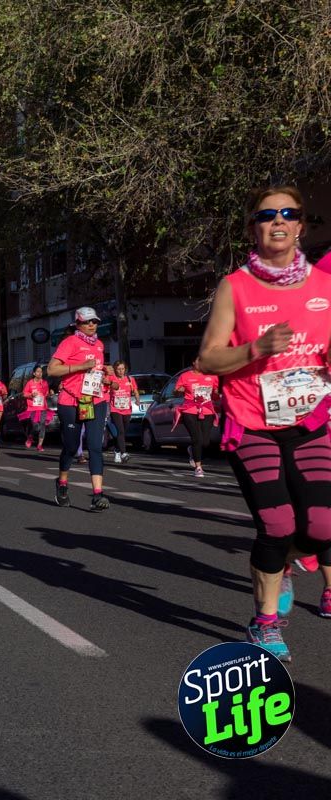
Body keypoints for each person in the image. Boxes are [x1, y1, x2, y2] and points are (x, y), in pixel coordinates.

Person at [196, 184, 331, 661]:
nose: (277, 221)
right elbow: (208, 359)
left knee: (321, 525)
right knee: (276, 523)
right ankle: (265, 622)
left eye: (287, 213)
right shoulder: (235, 287)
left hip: (311, 421)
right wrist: (255, 349)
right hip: (252, 422)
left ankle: (287, 563)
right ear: (253, 228)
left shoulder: (325, 287)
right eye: (266, 214)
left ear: (300, 226)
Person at [48, 308, 113, 511]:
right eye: (87, 322)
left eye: (94, 321)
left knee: (95, 446)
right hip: (71, 400)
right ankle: (62, 483)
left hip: (95, 399)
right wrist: (80, 367)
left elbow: (96, 371)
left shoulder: (100, 345)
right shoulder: (69, 343)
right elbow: (52, 369)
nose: (91, 325)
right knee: (71, 446)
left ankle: (97, 495)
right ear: (78, 324)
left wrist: (106, 374)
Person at [174, 359, 220, 478]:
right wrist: (179, 391)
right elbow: (176, 391)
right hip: (189, 409)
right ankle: (198, 467)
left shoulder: (212, 376)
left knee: (205, 442)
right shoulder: (185, 376)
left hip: (207, 409)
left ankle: (191, 450)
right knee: (197, 439)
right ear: (193, 363)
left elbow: (215, 395)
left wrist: (216, 392)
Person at [106, 361, 138, 464]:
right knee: (120, 431)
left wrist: (137, 399)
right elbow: (106, 388)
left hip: (127, 409)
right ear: (115, 369)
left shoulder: (130, 379)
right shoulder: (112, 379)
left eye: (122, 369)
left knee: (122, 432)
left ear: (125, 369)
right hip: (115, 409)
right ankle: (124, 453)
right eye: (119, 369)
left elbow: (135, 390)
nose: (121, 371)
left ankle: (117, 450)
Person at [20, 365, 51, 451]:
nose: (40, 373)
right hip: (33, 408)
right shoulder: (30, 383)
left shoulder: (44, 383)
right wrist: (31, 395)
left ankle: (40, 445)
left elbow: (46, 393)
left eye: (41, 372)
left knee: (42, 425)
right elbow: (24, 394)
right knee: (35, 426)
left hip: (42, 407)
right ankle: (30, 437)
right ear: (34, 373)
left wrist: (49, 394)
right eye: (38, 371)